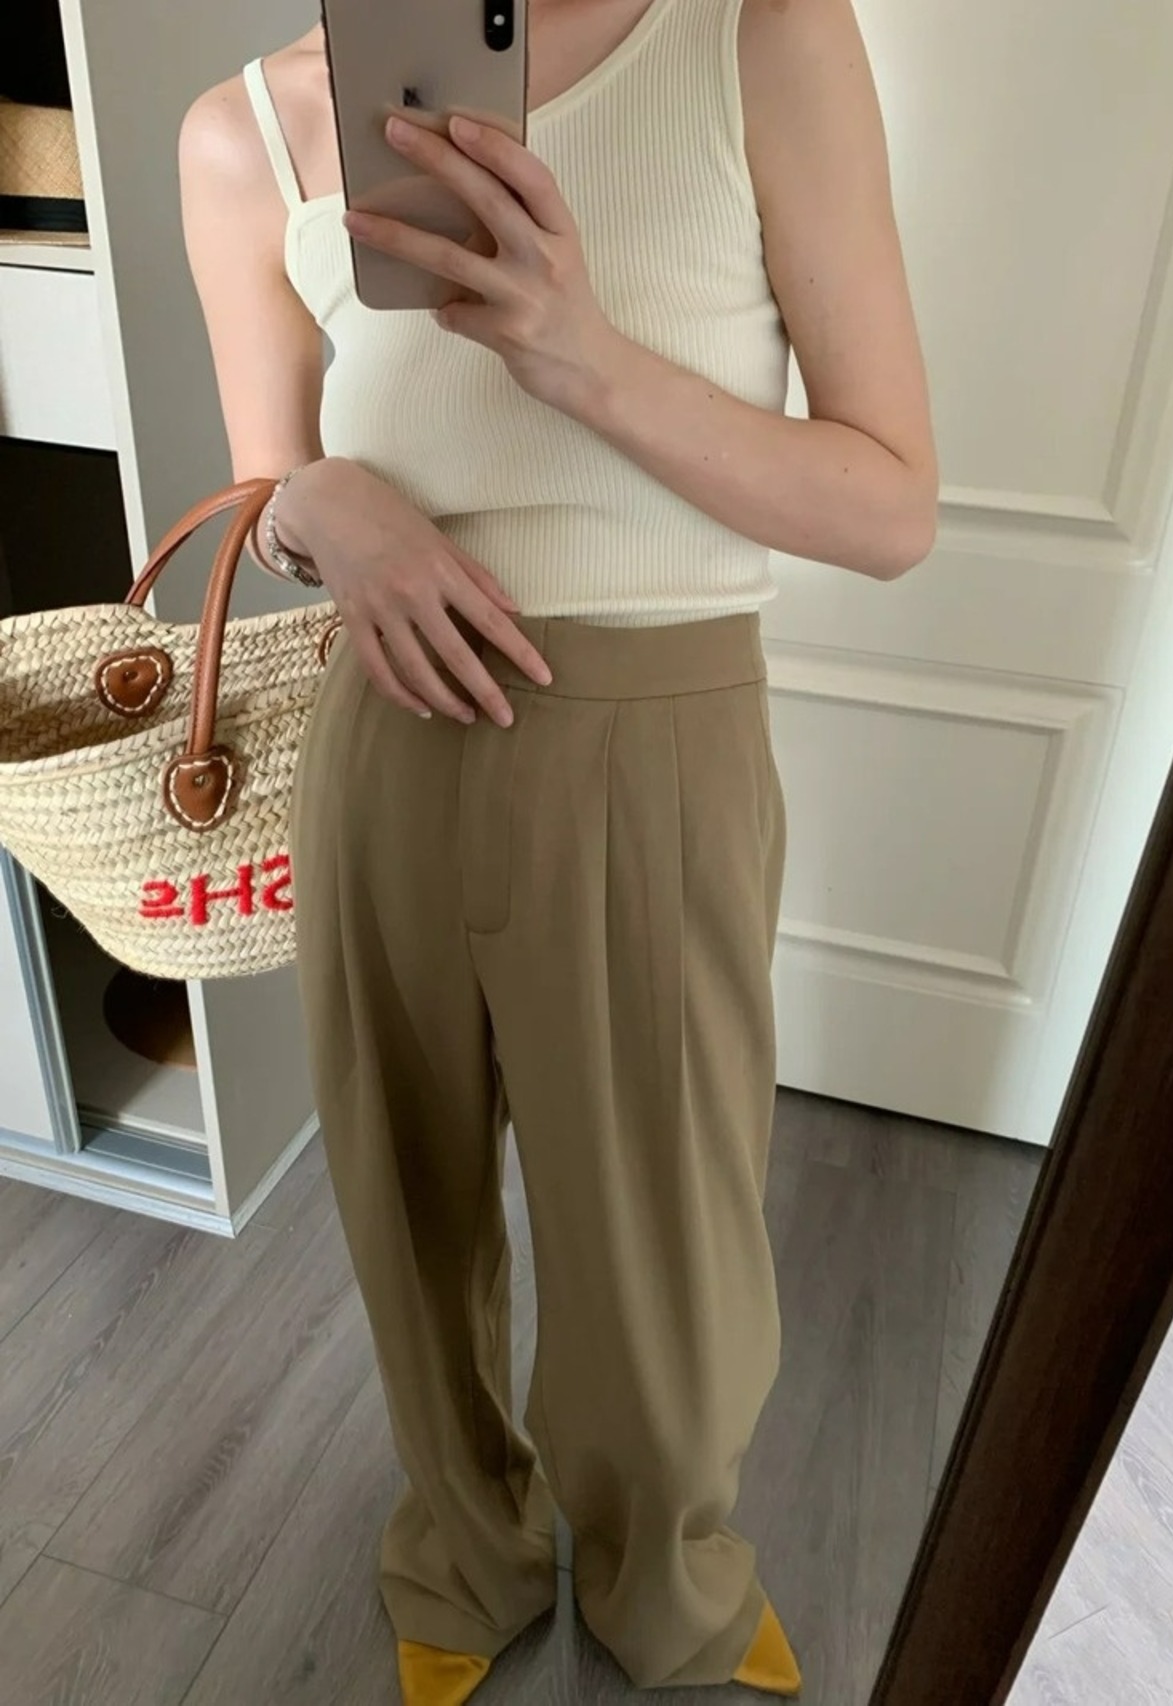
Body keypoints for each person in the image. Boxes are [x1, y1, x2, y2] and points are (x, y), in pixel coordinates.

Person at [179, 1, 937, 1700]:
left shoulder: (756, 33)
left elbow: (893, 505)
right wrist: (320, 506)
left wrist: (582, 354)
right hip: (383, 734)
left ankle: (669, 1573)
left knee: (667, 1256)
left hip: (653, 736)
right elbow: (262, 488)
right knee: (406, 1202)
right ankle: (464, 1549)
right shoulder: (243, 129)